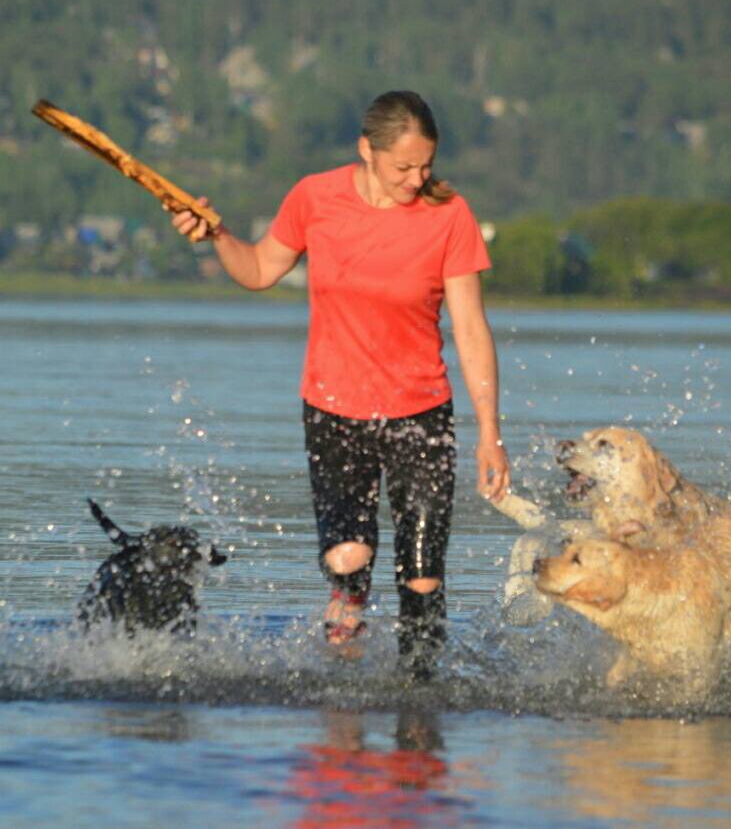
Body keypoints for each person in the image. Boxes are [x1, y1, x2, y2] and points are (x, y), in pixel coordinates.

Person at [171, 90, 509, 676]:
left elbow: (472, 330)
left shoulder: (448, 214)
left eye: (426, 164)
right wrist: (217, 232)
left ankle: (419, 695)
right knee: (349, 554)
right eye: (403, 166)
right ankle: (348, 600)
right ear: (367, 150)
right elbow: (257, 270)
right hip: (333, 410)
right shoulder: (315, 197)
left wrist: (489, 432)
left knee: (422, 573)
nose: (417, 177)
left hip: (421, 411)